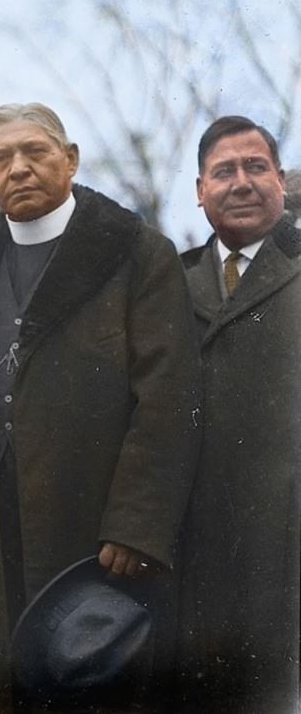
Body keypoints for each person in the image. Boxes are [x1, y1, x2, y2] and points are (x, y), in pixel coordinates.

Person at [0, 103, 201, 709]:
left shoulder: (136, 253)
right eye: (1, 158)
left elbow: (169, 397)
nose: (20, 169)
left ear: (72, 160)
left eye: (36, 152)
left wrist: (136, 525)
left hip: (96, 534)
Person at [176, 116, 300, 713]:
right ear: (200, 190)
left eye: (256, 167)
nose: (241, 183)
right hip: (194, 562)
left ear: (281, 179)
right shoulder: (170, 284)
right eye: (224, 171)